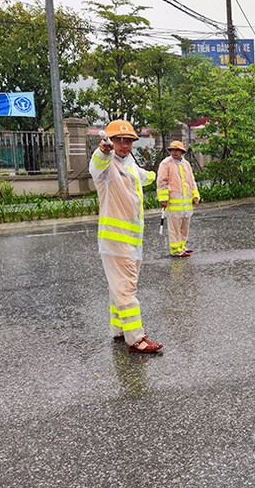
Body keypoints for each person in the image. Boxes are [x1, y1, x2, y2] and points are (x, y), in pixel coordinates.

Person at [89, 119, 163, 354]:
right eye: (118, 140)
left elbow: (142, 176)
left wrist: (159, 174)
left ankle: (119, 329)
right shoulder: (107, 166)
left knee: (118, 286)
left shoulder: (129, 164)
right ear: (110, 141)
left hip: (131, 240)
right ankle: (136, 338)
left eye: (128, 140)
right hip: (116, 240)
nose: (124, 144)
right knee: (126, 288)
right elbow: (97, 164)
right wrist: (103, 151)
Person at [157, 141, 200, 257]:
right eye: (172, 150)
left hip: (186, 202)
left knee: (185, 225)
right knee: (174, 227)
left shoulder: (186, 164)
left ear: (182, 152)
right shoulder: (166, 164)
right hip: (173, 201)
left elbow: (191, 181)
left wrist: (195, 196)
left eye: (177, 150)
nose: (174, 152)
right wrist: (163, 198)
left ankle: (182, 246)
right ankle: (175, 249)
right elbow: (162, 182)